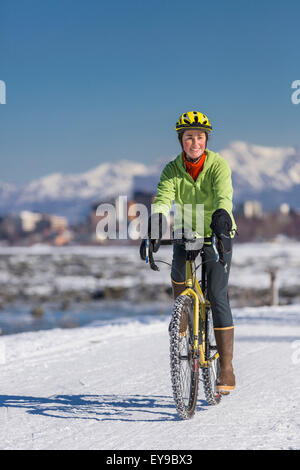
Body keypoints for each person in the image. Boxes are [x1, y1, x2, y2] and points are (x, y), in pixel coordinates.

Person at [140, 110, 237, 393]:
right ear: (181, 140)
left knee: (218, 296)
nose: (194, 142)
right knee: (178, 279)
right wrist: (156, 225)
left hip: (218, 233)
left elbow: (223, 196)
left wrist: (221, 220)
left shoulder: (218, 165)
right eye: (188, 137)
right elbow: (162, 198)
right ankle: (182, 318)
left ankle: (227, 367)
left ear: (206, 140)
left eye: (199, 137)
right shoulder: (172, 169)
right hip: (186, 233)